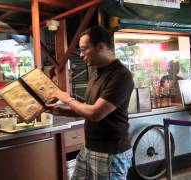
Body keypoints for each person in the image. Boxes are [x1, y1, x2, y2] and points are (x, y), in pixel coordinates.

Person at [46, 26, 134, 179]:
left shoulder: (121, 76)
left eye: (84, 49)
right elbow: (88, 108)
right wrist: (60, 110)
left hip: (111, 152)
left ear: (100, 47)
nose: (80, 55)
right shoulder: (96, 73)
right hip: (89, 147)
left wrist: (67, 99)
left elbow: (95, 114)